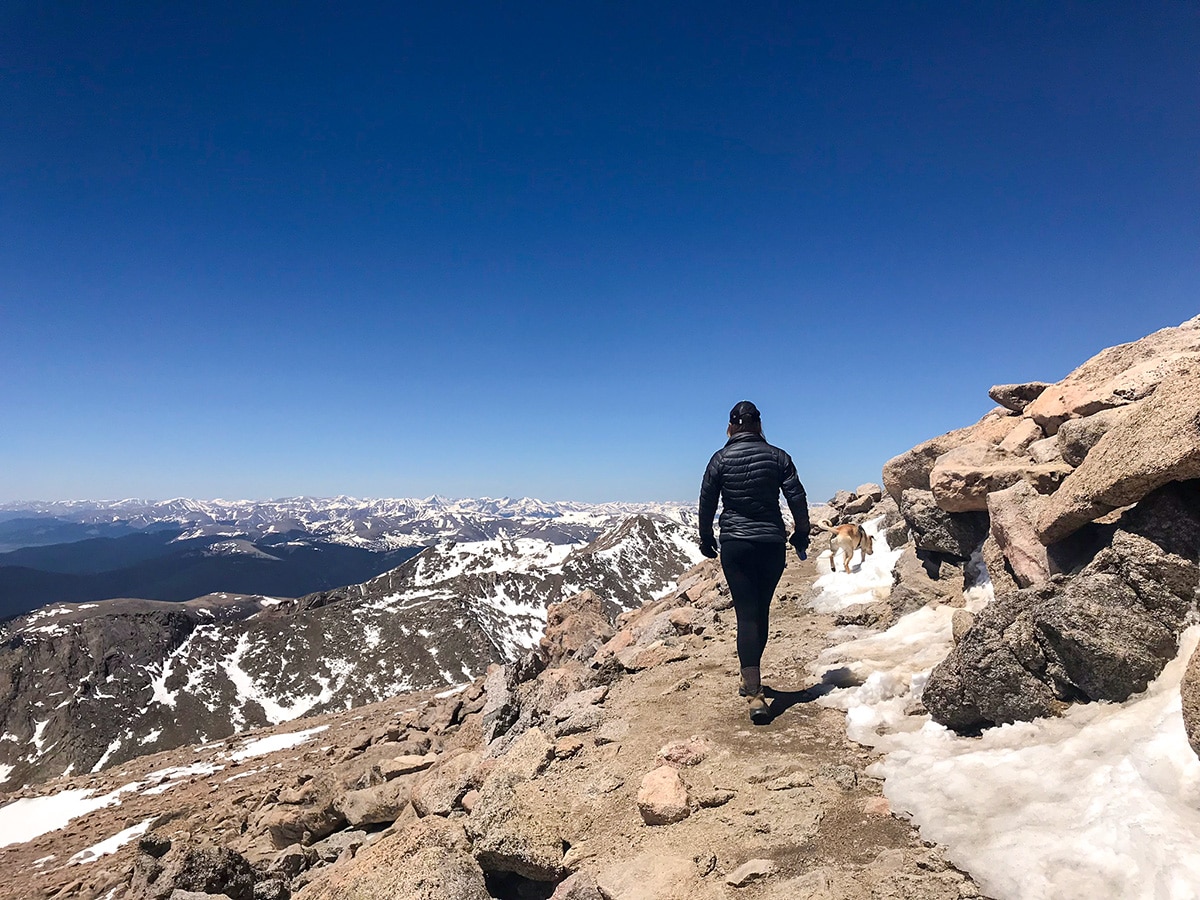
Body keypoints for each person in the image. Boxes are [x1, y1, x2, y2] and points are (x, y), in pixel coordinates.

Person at [698, 400, 810, 724]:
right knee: (760, 612)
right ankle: (751, 681)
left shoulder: (720, 459)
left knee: (746, 615)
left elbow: (707, 502)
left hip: (736, 545)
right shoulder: (779, 457)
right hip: (771, 544)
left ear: (731, 426)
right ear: (759, 425)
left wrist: (706, 538)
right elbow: (797, 498)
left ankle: (754, 692)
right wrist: (801, 535)